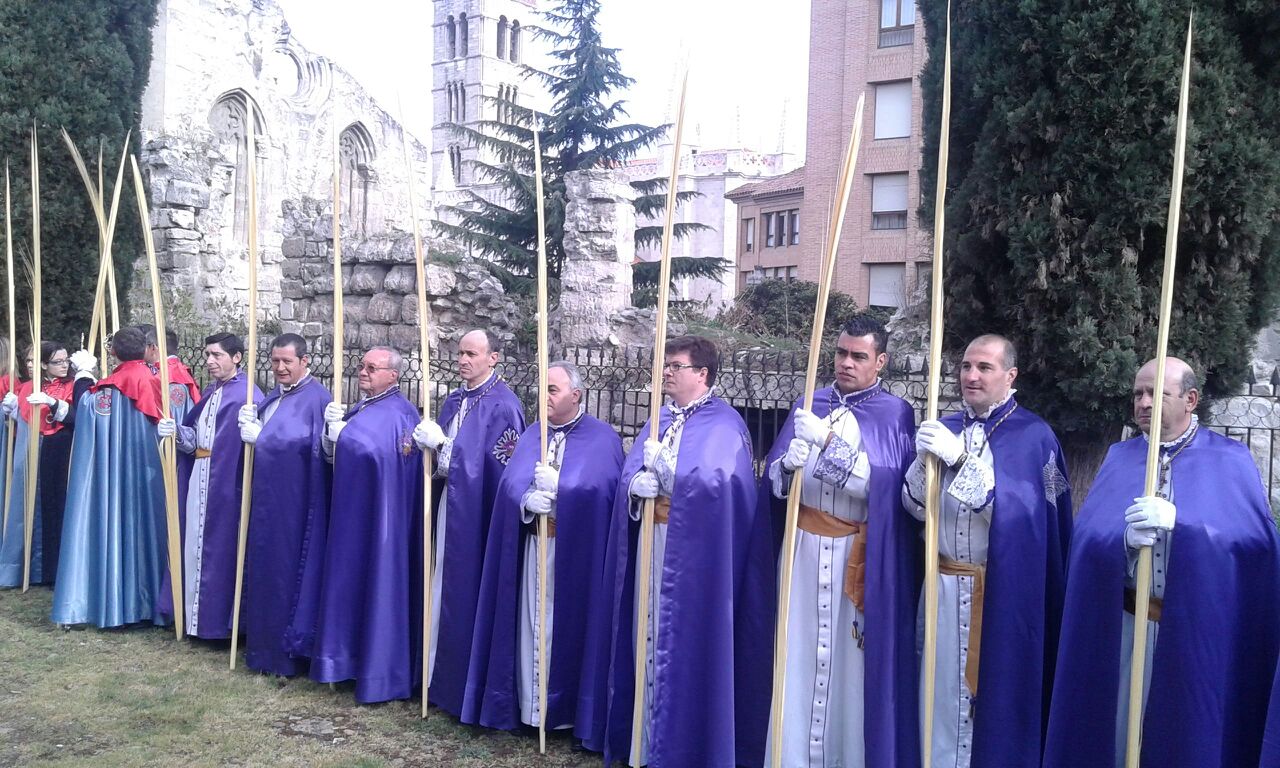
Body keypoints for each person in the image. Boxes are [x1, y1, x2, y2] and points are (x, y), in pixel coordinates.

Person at [1044, 357, 1280, 768]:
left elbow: (1255, 546)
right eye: (1138, 393)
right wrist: (1121, 542)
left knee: (1184, 742)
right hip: (1125, 628)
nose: (1145, 402)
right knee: (1119, 739)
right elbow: (1085, 540)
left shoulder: (1230, 460)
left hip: (1193, 636)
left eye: (1157, 393)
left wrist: (1184, 527)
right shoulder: (1120, 457)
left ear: (1191, 399)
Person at [593, 335, 773, 767]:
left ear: (702, 374)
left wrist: (668, 472)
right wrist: (635, 485)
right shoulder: (659, 419)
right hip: (651, 548)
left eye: (675, 366)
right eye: (666, 366)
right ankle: (643, 741)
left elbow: (720, 488)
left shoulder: (725, 424)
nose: (667, 373)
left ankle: (680, 744)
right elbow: (631, 473)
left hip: (694, 560)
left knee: (683, 645)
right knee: (645, 633)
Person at [902, 333, 1072, 768]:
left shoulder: (1035, 436)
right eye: (965, 367)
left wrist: (960, 460)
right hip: (940, 588)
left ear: (1010, 376)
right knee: (936, 696)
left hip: (1000, 597)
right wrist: (924, 464)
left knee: (993, 699)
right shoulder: (948, 426)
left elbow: (1026, 518)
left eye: (984, 368)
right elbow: (915, 508)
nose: (971, 376)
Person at [762, 315, 920, 767]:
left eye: (859, 356)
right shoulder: (808, 402)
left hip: (857, 553)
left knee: (850, 665)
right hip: (802, 552)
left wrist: (828, 443)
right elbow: (774, 487)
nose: (846, 363)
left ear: (880, 361)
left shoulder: (895, 414)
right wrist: (786, 468)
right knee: (796, 654)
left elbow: (887, 489)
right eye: (840, 353)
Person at [463, 360, 623, 739]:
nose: (543, 396)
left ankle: (564, 711)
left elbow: (605, 494)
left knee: (563, 631)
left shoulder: (603, 439)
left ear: (576, 395)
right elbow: (508, 487)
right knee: (530, 627)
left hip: (575, 557)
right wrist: (525, 499)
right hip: (532, 547)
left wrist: (563, 489)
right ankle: (528, 707)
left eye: (552, 390)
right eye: (542, 388)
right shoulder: (533, 433)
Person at [412, 329, 526, 717]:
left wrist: (443, 448)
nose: (463, 360)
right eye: (460, 353)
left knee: (463, 595)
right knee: (439, 585)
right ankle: (432, 676)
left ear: (493, 358)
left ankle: (460, 684)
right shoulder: (456, 398)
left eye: (472, 354)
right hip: (449, 506)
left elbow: (501, 469)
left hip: (478, 519)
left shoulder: (504, 406)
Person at [309, 346, 424, 702]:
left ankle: (377, 670)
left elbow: (380, 454)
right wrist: (333, 435)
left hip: (382, 521)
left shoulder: (400, 413)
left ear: (393, 375)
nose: (363, 372)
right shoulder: (364, 407)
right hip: (353, 516)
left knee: (378, 586)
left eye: (372, 368)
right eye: (362, 366)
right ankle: (341, 658)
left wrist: (346, 436)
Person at [51, 326, 169, 627]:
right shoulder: (157, 378)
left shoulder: (110, 386)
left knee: (117, 527)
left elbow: (86, 414)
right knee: (149, 531)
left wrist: (84, 376)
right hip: (149, 473)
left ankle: (119, 602)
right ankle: (151, 603)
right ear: (146, 349)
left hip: (118, 474)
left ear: (113, 353)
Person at [236, 333, 332, 676]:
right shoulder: (273, 396)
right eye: (274, 361)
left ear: (305, 361)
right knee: (263, 568)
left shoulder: (318, 399)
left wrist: (263, 439)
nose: (279, 368)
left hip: (296, 507)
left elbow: (315, 452)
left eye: (287, 361)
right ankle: (259, 648)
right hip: (266, 502)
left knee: (285, 573)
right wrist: (253, 423)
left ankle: (283, 655)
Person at [157, 332, 263, 639]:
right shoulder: (213, 391)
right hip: (200, 479)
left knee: (220, 552)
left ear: (237, 357)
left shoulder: (247, 395)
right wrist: (177, 431)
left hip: (226, 487)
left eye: (216, 355)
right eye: (207, 355)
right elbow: (198, 442)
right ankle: (192, 619)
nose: (209, 361)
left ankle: (215, 623)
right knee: (193, 545)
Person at [139, 324, 200, 421]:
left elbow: (176, 419)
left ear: (153, 348)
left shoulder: (171, 377)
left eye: (144, 347)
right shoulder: (180, 371)